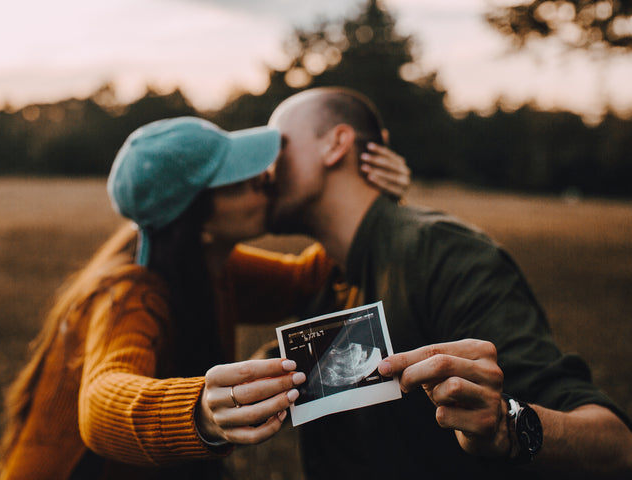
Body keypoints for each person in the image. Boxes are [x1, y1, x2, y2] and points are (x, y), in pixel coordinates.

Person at [0, 116, 412, 480]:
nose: (263, 178)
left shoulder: (207, 262)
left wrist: (369, 195)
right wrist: (199, 414)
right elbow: (101, 402)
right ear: (197, 221)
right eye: (239, 179)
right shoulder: (129, 293)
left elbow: (308, 279)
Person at [264, 87, 632, 479]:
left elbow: (617, 445)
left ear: (336, 144)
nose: (263, 172)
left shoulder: (443, 255)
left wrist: (509, 427)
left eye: (277, 146)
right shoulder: (324, 277)